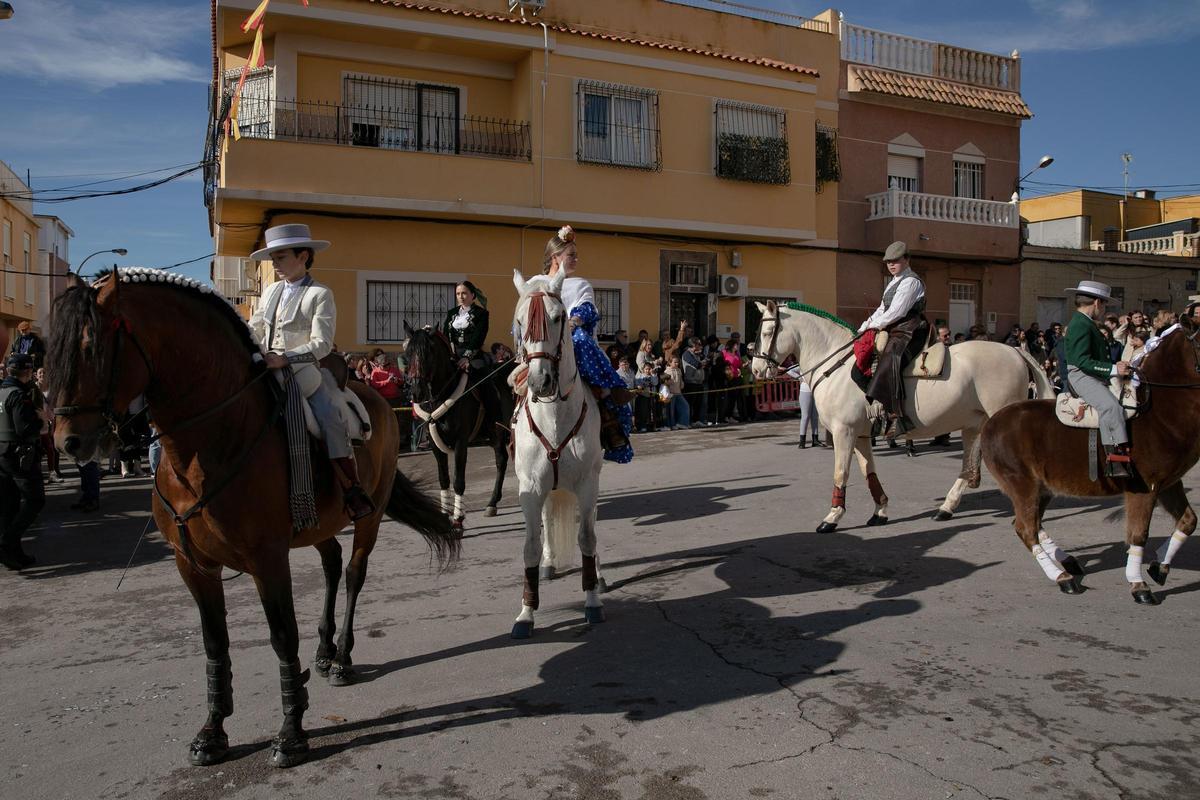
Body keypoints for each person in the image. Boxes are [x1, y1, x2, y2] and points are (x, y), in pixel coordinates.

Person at [247, 223, 375, 520]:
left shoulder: (320, 294)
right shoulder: (269, 292)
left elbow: (321, 343)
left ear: (303, 256)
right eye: (273, 259)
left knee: (329, 417)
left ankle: (351, 487)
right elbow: (254, 327)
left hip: (302, 375)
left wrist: (285, 358)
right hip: (264, 369)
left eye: (280, 257)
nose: (275, 264)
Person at [542, 225, 634, 462]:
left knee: (580, 339)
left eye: (576, 254)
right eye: (571, 254)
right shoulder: (537, 282)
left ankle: (608, 404)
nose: (575, 259)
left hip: (572, 341)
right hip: (543, 343)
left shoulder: (580, 284)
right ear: (555, 257)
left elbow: (586, 307)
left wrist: (574, 320)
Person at [1062, 280, 1133, 477]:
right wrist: (1112, 369)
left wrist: (1117, 368)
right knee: (1110, 406)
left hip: (1093, 372)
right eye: (1104, 305)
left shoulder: (1086, 322)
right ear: (1096, 303)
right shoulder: (1079, 324)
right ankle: (1115, 459)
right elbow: (1081, 360)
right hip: (1081, 375)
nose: (1103, 310)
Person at [858, 241, 929, 439]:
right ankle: (876, 412)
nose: (891, 264)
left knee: (890, 357)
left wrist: (874, 326)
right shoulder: (893, 282)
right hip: (894, 327)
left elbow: (897, 311)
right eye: (888, 261)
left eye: (895, 260)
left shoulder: (911, 281)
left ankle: (897, 415)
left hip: (911, 329)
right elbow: (882, 309)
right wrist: (864, 327)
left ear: (906, 259)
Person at [0, 354, 45, 569]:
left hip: (2, 453)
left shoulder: (1, 391)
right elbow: (24, 429)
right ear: (27, 372)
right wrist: (40, 421)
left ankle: (13, 553)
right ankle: (6, 542)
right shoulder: (18, 395)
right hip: (18, 455)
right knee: (35, 500)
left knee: (9, 506)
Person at [681, 337, 709, 427]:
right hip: (691, 382)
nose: (701, 346)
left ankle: (696, 420)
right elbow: (697, 364)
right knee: (690, 403)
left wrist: (703, 361)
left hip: (699, 382)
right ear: (693, 345)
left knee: (698, 403)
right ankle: (688, 421)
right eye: (699, 344)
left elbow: (707, 362)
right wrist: (702, 363)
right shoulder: (686, 354)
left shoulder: (698, 354)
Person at [661, 356, 689, 430]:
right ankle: (672, 425)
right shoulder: (667, 371)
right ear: (670, 363)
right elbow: (665, 382)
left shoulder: (679, 370)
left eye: (677, 362)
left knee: (685, 406)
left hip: (679, 393)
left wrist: (682, 384)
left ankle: (682, 423)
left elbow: (680, 380)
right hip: (671, 394)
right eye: (675, 362)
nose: (677, 364)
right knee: (671, 410)